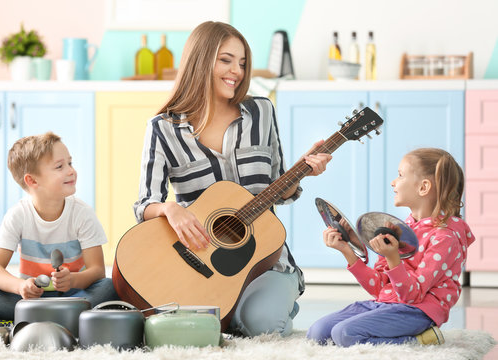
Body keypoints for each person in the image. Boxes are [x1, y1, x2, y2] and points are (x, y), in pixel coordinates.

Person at [133, 21, 332, 337]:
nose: (237, 71)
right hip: (201, 265)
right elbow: (145, 204)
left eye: (242, 62)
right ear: (201, 61)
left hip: (266, 263)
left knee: (263, 326)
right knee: (191, 326)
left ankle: (261, 304)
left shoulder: (262, 111)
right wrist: (170, 210)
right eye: (226, 60)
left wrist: (301, 170)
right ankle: (234, 310)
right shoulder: (162, 128)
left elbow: (278, 189)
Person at [306, 148, 474, 346]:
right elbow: (377, 287)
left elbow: (413, 296)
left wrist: (393, 258)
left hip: (417, 311)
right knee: (317, 333)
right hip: (386, 304)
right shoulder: (402, 229)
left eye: (400, 175)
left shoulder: (445, 238)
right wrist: (347, 251)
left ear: (423, 187)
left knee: (345, 334)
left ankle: (421, 339)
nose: (393, 182)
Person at [0, 132, 118, 327]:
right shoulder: (17, 215)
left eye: (70, 163)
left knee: (110, 286)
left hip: (72, 293)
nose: (71, 171)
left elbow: (97, 271)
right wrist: (20, 286)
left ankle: (24, 320)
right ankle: (64, 319)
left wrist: (72, 280)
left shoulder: (82, 213)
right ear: (32, 181)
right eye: (60, 166)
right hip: (31, 298)